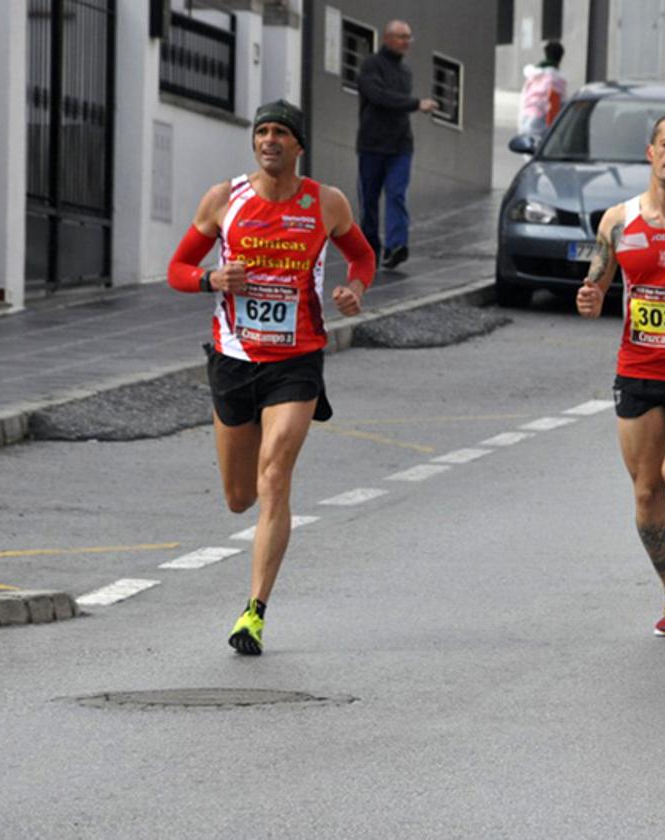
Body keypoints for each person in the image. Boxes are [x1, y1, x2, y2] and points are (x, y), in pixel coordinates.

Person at [166, 100, 376, 656]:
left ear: (298, 145)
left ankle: (254, 612)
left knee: (275, 473)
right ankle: (254, 585)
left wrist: (356, 288)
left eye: (281, 132)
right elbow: (176, 271)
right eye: (262, 131)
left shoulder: (325, 203)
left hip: (297, 360)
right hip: (234, 358)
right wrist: (212, 277)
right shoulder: (223, 199)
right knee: (240, 496)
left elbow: (363, 256)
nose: (269, 140)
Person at [576, 113, 665, 638]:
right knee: (646, 494)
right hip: (637, 369)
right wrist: (590, 296)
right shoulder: (617, 220)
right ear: (650, 151)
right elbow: (598, 277)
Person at [355, 19, 438, 271]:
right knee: (369, 201)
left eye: (408, 38)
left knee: (396, 194)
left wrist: (412, 104)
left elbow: (397, 101)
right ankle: (370, 248)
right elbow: (379, 97)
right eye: (402, 37)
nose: (406, 43)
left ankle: (396, 246)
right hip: (372, 144)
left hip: (400, 145)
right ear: (387, 38)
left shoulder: (405, 71)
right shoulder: (370, 66)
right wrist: (416, 103)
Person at [518, 40, 566, 139]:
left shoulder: (533, 76)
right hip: (542, 128)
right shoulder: (557, 79)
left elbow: (523, 100)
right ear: (561, 58)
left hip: (525, 123)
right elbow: (558, 107)